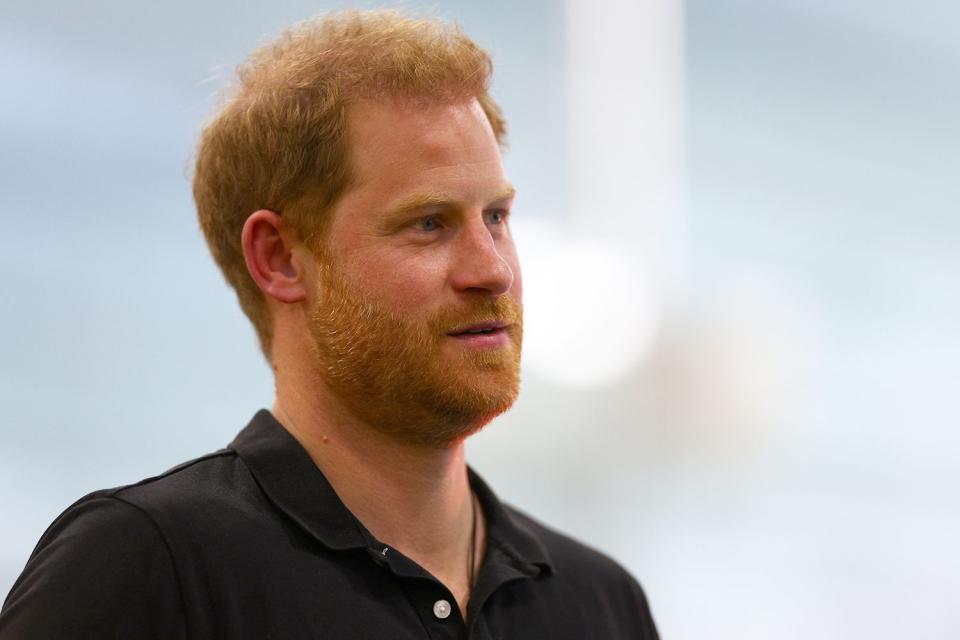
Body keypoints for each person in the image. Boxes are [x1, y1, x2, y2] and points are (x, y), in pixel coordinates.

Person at [0, 10, 659, 639]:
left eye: (496, 216)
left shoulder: (600, 601)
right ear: (281, 258)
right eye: (429, 223)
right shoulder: (149, 567)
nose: (492, 271)